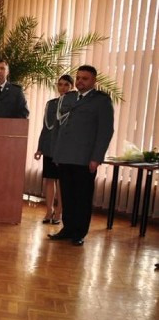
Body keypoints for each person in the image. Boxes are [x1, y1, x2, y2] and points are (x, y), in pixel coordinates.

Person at [49, 65, 114, 246]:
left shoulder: (101, 101)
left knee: (82, 197)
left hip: (84, 159)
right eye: (78, 78)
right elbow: (58, 128)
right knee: (67, 196)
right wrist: (56, 153)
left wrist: (96, 157)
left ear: (94, 81)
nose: (79, 82)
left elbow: (105, 131)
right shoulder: (68, 98)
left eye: (84, 79)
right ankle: (68, 228)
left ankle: (79, 232)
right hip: (64, 156)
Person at [34, 74, 73, 224]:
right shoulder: (51, 104)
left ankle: (59, 213)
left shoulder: (74, 104)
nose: (62, 88)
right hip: (50, 148)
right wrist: (40, 148)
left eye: (66, 85)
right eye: (60, 84)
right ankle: (48, 211)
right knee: (49, 180)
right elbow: (46, 127)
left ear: (72, 87)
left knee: (62, 182)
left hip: (65, 150)